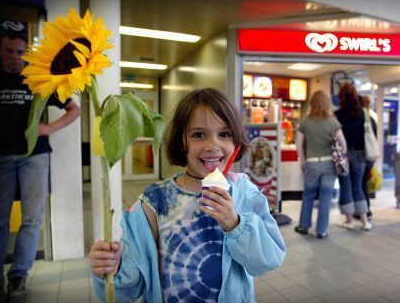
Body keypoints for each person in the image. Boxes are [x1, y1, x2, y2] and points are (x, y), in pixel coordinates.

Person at [89, 88, 286, 302]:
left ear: (236, 141)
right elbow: (129, 286)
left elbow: (268, 259)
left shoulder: (246, 193)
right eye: (198, 135)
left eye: (225, 134)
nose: (213, 145)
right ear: (181, 141)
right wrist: (112, 267)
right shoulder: (155, 201)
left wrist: (236, 225)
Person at [0, 32, 81, 302]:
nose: (14, 57)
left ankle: (18, 277)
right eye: (9, 51)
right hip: (0, 158)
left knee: (31, 219)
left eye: (20, 52)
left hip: (35, 156)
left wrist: (49, 128)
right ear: (0, 51)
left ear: (26, 53)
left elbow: (74, 109)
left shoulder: (37, 81)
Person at [294, 90, 346, 239]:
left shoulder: (305, 122)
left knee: (308, 195)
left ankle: (304, 226)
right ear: (326, 104)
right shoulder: (333, 122)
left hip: (311, 163)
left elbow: (298, 145)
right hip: (329, 164)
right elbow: (344, 144)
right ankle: (321, 231)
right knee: (326, 198)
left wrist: (303, 161)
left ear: (312, 103)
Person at [335, 84, 373, 231]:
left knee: (346, 186)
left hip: (343, 155)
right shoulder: (363, 113)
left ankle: (349, 220)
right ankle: (365, 222)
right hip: (360, 154)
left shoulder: (337, 115)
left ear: (341, 97)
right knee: (358, 187)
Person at [354, 95, 377, 221]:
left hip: (363, 155)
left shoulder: (362, 118)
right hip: (370, 156)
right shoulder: (371, 119)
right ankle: (365, 209)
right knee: (363, 183)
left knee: (360, 184)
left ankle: (365, 210)